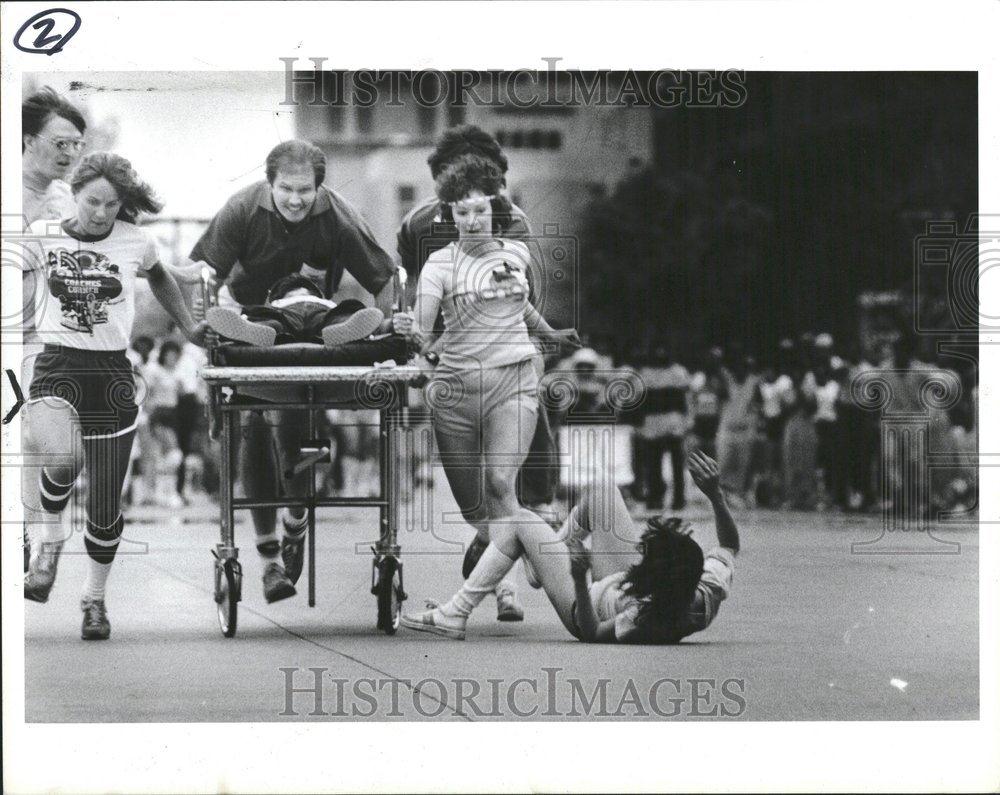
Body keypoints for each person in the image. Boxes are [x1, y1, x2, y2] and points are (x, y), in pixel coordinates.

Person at [174, 140, 407, 603]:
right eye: (286, 189)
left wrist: (390, 332)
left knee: (300, 436)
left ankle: (295, 521)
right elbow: (204, 273)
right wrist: (203, 327)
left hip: (314, 330)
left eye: (305, 190)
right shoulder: (241, 210)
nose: (296, 199)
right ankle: (267, 561)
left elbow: (384, 278)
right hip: (253, 323)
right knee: (256, 430)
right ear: (269, 183)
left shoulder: (337, 215)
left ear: (319, 188)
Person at [21, 152, 212, 639]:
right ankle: (49, 542)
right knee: (62, 460)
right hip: (56, 365)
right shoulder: (44, 235)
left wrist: (189, 326)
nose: (100, 213)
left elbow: (161, 276)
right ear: (76, 192)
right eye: (92, 202)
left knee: (106, 508)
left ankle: (94, 600)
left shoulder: (136, 240)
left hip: (111, 375)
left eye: (111, 204)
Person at [397, 125, 577, 590]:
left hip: (506, 335)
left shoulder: (512, 220)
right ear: (442, 182)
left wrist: (543, 340)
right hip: (448, 345)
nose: (474, 211)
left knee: (527, 388)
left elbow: (522, 298)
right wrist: (422, 347)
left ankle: (536, 504)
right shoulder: (417, 224)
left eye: (486, 187)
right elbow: (417, 294)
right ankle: (497, 533)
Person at [402, 451, 738, 643]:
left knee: (519, 521)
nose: (640, 551)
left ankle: (454, 614)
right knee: (605, 492)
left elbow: (592, 633)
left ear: (650, 580)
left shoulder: (643, 618)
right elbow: (729, 545)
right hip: (621, 584)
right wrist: (715, 495)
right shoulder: (706, 590)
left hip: (585, 605)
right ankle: (543, 558)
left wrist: (579, 576)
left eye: (645, 556)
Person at [21, 87, 88, 569]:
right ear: (27, 140)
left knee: (52, 450)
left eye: (76, 145)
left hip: (45, 340)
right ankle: (34, 538)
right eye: (60, 142)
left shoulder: (68, 197)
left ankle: (42, 537)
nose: (69, 154)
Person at [204, 273, 387, 347]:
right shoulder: (320, 300)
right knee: (337, 319)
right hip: (322, 312)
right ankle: (342, 328)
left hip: (285, 312)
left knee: (273, 324)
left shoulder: (277, 303)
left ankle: (252, 330)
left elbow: (267, 310)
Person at [635, 343, 691, 511]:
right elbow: (640, 402)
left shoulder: (679, 372)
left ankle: (679, 499)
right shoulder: (645, 374)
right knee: (653, 464)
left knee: (677, 464)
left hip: (674, 421)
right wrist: (640, 424)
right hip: (653, 423)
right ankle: (654, 498)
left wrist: (688, 420)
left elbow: (686, 400)